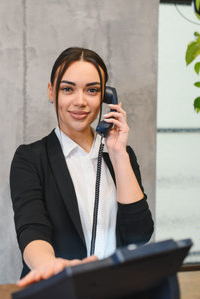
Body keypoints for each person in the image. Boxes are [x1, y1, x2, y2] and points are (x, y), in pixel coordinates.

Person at [10, 47, 154, 287]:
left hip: (114, 289)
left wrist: (118, 154)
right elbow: (31, 230)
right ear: (51, 92)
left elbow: (139, 235)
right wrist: (51, 266)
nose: (80, 101)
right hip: (57, 288)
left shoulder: (121, 154)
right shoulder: (30, 158)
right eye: (68, 89)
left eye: (92, 90)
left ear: (106, 96)